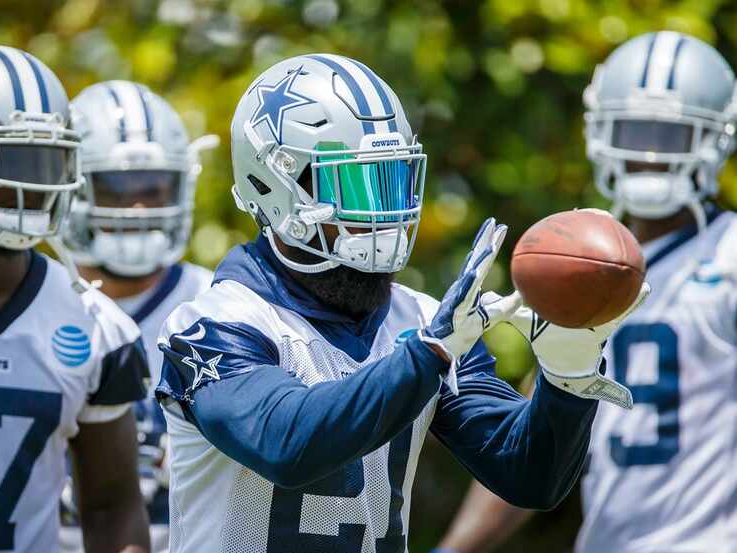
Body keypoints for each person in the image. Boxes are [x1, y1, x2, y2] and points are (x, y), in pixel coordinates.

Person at [153, 53, 649, 553]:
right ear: (277, 185)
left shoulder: (423, 319)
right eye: (357, 185)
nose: (385, 212)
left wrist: (566, 381)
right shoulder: (213, 325)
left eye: (392, 180)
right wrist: (428, 354)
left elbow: (529, 477)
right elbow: (288, 444)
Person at [434, 31, 737, 553]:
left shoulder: (729, 255)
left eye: (670, 138)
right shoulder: (581, 257)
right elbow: (538, 421)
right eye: (634, 132)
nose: (648, 156)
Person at [0, 45, 151, 552]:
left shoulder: (96, 328)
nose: (32, 185)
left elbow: (112, 508)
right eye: (10, 161)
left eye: (47, 161)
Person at [58, 80, 217, 553]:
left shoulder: (223, 303)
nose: (139, 207)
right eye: (115, 189)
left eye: (154, 187)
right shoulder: (38, 297)